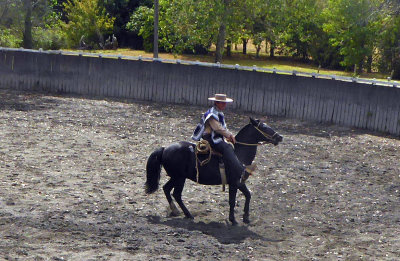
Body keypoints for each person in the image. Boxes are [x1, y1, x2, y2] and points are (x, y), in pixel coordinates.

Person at [192, 93, 245, 185]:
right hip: (211, 139)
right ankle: (239, 169)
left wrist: (228, 135)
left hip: (216, 136)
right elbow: (217, 128)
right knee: (227, 148)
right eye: (222, 103)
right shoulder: (212, 114)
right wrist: (229, 135)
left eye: (225, 103)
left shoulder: (218, 113)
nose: (224, 105)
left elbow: (222, 127)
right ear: (217, 103)